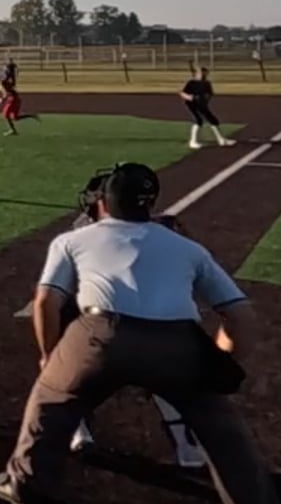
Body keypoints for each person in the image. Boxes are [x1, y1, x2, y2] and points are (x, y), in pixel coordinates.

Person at [0, 163, 281, 504]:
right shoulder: (187, 248)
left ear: (103, 202)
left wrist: (51, 356)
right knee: (225, 432)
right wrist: (220, 360)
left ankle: (25, 486)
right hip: (178, 343)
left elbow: (46, 301)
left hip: (100, 334)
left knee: (51, 400)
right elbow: (239, 314)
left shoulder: (73, 239)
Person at [58, 169, 208, 469]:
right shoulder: (167, 229)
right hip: (160, 331)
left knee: (65, 346)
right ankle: (186, 443)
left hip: (105, 333)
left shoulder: (81, 234)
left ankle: (77, 427)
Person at [181, 67, 237, 150]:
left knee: (212, 120)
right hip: (192, 104)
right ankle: (192, 142)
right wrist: (190, 97)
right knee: (198, 120)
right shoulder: (191, 83)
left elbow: (209, 94)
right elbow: (183, 93)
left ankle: (221, 140)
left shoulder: (207, 83)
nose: (203, 75)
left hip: (202, 104)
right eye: (202, 73)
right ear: (198, 74)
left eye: (205, 73)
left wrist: (204, 100)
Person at [0, 60, 38, 136]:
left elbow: (6, 93)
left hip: (13, 99)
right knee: (15, 117)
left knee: (5, 115)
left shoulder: (4, 81)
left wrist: (2, 99)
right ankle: (31, 115)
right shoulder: (9, 78)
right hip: (16, 99)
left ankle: (12, 130)